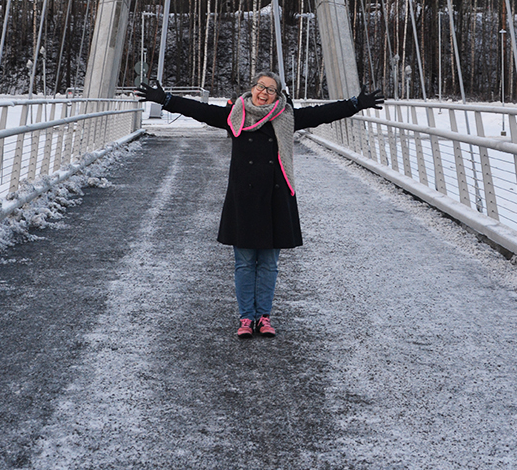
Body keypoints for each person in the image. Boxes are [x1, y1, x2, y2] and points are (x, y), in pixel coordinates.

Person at [136, 71, 383, 338]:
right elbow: (200, 110)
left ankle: (263, 316)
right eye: (259, 86)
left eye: (270, 90)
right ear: (252, 88)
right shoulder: (235, 116)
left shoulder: (287, 117)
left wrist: (356, 104)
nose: (263, 93)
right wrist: (167, 100)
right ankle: (246, 317)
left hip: (275, 198)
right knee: (244, 263)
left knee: (268, 263)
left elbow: (322, 113)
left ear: (279, 95)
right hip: (243, 198)